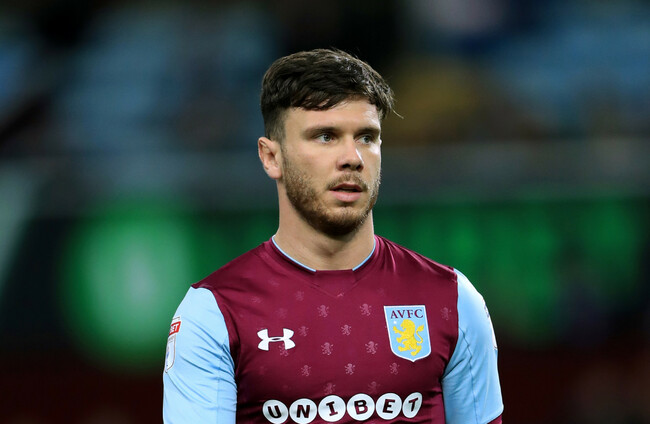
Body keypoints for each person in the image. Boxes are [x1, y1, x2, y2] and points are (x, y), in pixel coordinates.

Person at [163, 48, 504, 424]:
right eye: (325, 136)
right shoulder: (214, 312)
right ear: (271, 157)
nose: (352, 157)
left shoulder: (452, 300)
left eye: (366, 137)